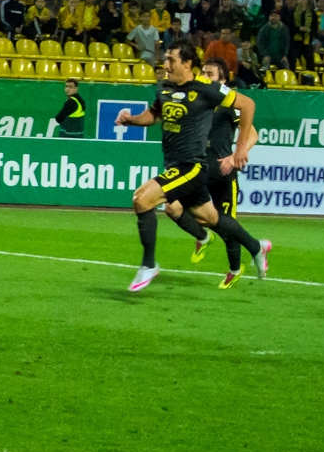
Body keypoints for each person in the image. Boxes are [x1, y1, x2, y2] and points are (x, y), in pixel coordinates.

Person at [115, 39, 270, 292]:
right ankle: (256, 246)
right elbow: (155, 114)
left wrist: (240, 149)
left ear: (187, 63)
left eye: (171, 60)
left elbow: (248, 104)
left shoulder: (207, 89)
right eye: (165, 59)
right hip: (174, 165)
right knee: (210, 218)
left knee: (142, 199)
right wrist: (131, 120)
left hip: (192, 167)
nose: (165, 65)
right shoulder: (165, 88)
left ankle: (149, 264)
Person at [163, 57, 259, 289]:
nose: (205, 77)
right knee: (172, 206)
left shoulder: (228, 104)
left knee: (227, 225)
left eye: (211, 74)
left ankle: (234, 269)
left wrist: (235, 156)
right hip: (198, 170)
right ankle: (203, 237)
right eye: (203, 73)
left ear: (223, 81)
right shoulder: (198, 100)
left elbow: (253, 134)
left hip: (223, 173)